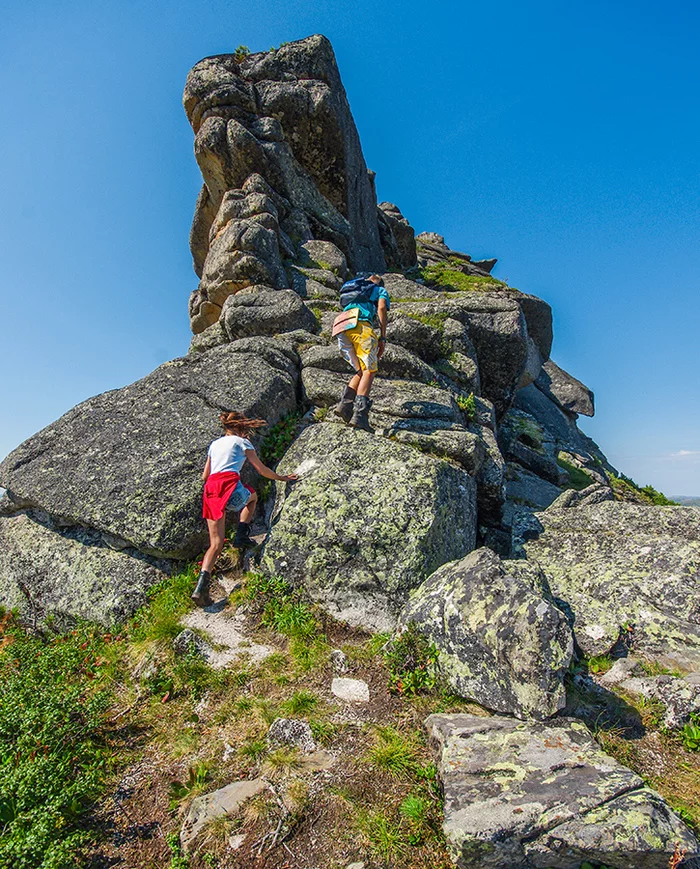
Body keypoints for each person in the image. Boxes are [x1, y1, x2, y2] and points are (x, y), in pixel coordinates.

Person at [191, 411, 298, 604]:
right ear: (241, 426)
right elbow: (261, 470)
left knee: (215, 543)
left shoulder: (214, 445)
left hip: (211, 490)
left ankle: (200, 589)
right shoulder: (242, 443)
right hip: (228, 486)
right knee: (252, 497)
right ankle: (241, 536)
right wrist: (282, 478)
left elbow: (204, 476)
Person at [334, 273, 390, 431]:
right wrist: (383, 337)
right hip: (361, 325)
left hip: (342, 325)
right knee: (369, 371)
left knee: (360, 369)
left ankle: (344, 406)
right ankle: (360, 416)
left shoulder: (355, 288)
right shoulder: (379, 290)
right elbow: (381, 307)